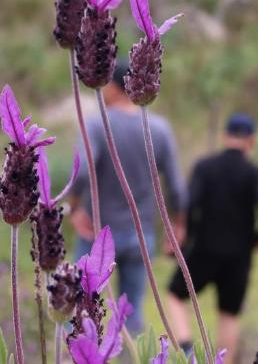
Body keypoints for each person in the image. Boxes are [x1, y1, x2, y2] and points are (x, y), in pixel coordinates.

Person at [68, 59, 187, 334]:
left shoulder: (97, 124)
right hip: (140, 235)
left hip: (96, 234)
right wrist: (177, 225)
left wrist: (74, 207)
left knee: (80, 310)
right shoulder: (158, 128)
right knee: (130, 314)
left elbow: (83, 171)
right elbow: (177, 186)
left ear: (113, 87)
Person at [167, 113, 258, 364]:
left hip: (203, 250)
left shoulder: (204, 167)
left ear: (225, 136)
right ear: (250, 141)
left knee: (175, 295)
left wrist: (185, 235)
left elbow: (189, 203)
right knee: (229, 314)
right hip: (239, 255)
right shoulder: (254, 173)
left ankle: (185, 346)